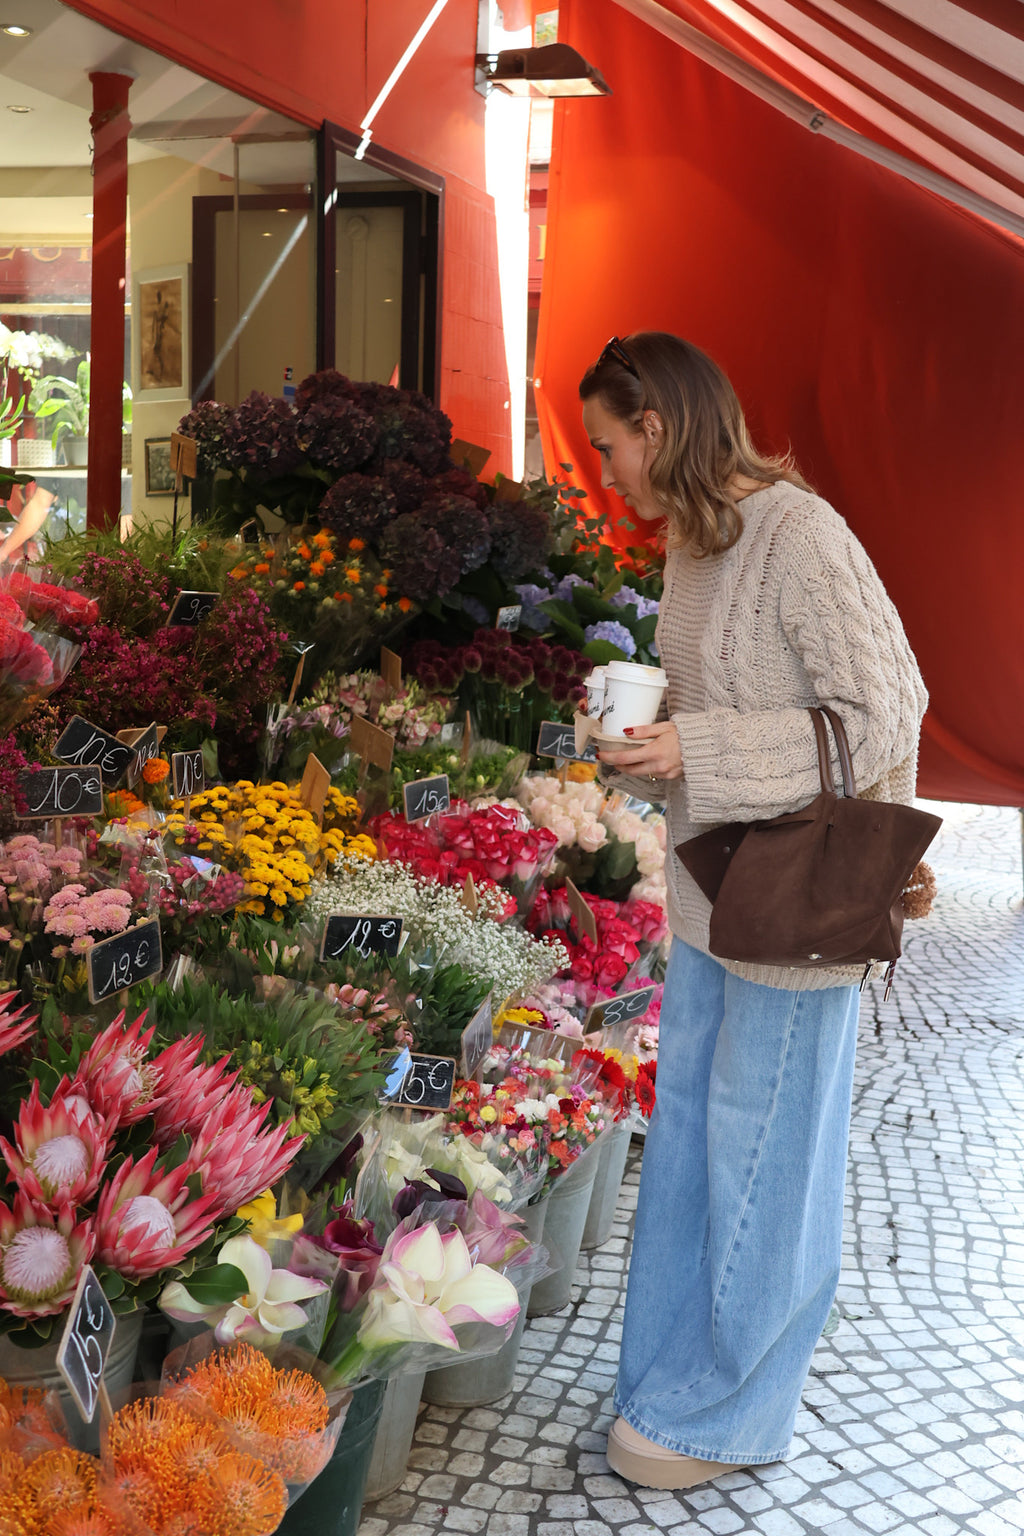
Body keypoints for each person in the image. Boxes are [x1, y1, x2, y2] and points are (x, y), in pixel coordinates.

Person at [579, 333, 927, 1490]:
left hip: (796, 904)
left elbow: (882, 708)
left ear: (662, 427)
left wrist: (701, 747)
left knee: (763, 1154)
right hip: (713, 889)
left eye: (610, 444)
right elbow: (724, 705)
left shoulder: (798, 533)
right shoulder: (693, 540)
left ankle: (725, 1412)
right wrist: (649, 746)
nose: (605, 469)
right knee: (689, 1147)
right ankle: (671, 1378)